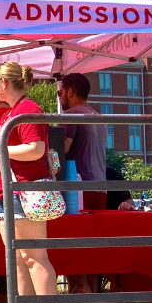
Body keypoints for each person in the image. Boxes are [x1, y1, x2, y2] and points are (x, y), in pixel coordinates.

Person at [0, 62, 60, 303]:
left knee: (34, 256)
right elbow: (19, 143)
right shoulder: (12, 112)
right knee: (17, 258)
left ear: (4, 83)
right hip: (7, 191)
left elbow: (36, 148)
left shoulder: (27, 109)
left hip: (25, 189)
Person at [59, 73, 106, 211]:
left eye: (59, 92)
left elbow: (62, 149)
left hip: (79, 190)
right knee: (96, 233)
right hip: (101, 189)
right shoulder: (100, 119)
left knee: (76, 231)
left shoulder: (70, 115)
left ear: (70, 92)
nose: (59, 97)